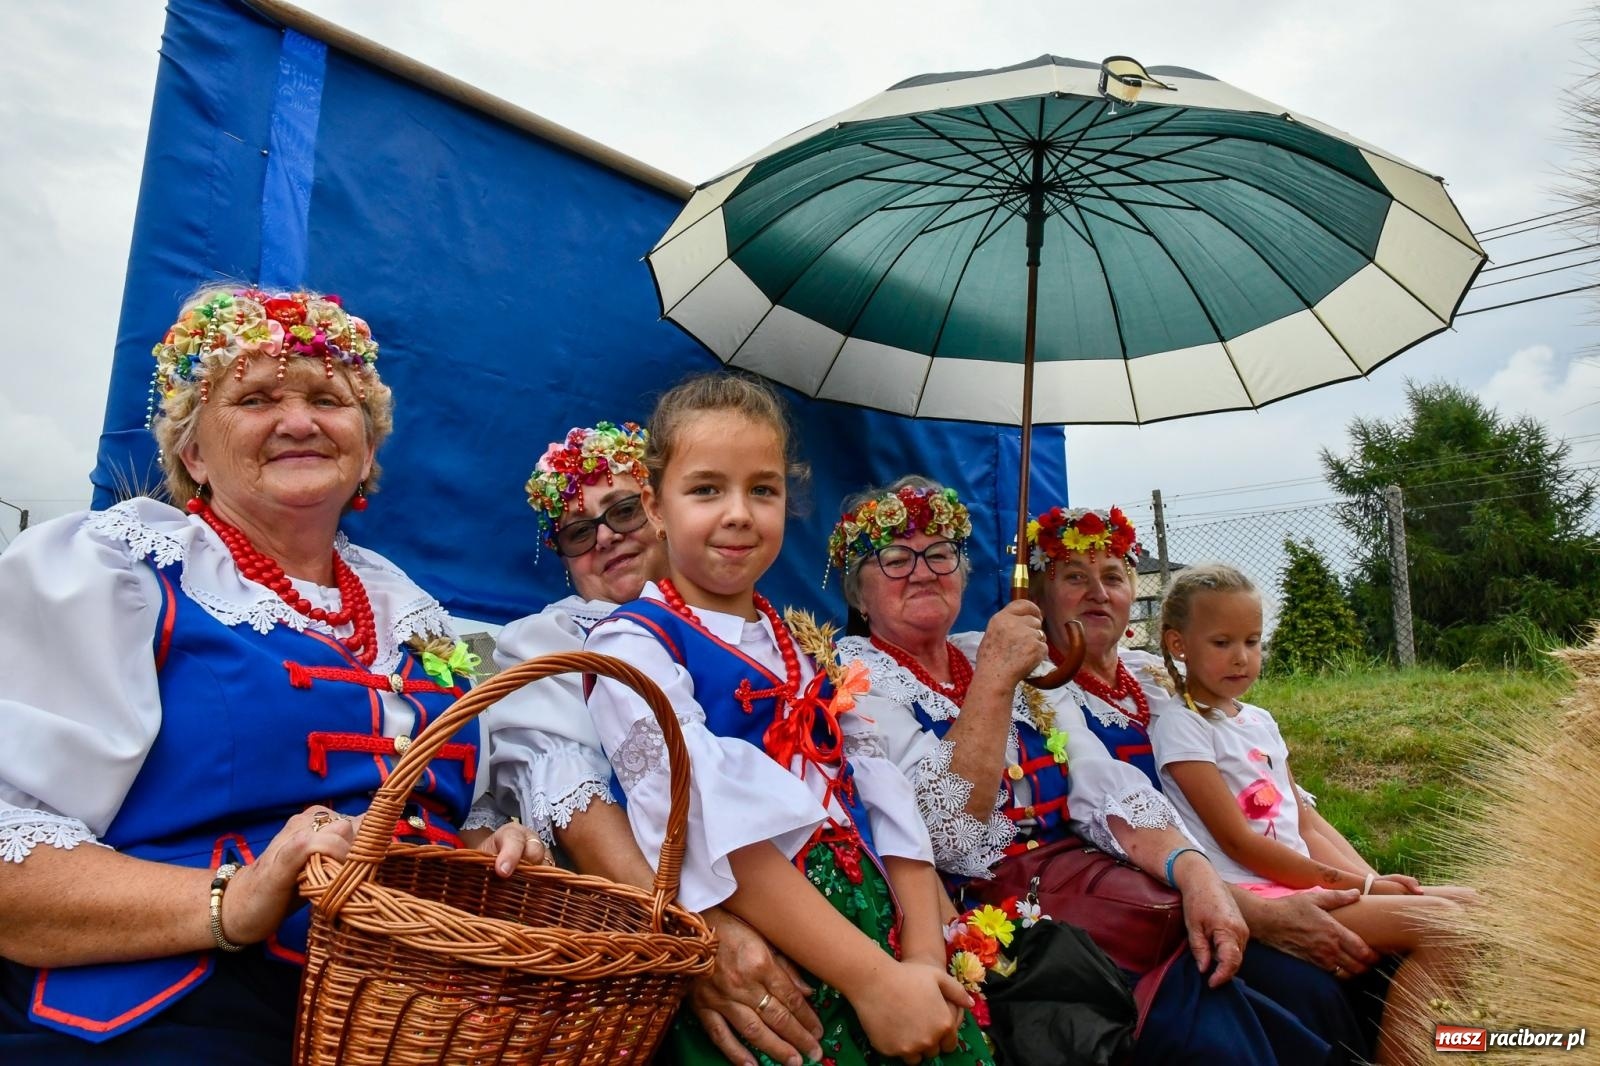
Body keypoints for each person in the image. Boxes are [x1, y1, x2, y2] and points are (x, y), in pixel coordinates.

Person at [0, 287, 544, 1063]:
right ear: (192, 453)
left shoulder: (414, 613)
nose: (299, 421)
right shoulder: (120, 571)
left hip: (411, 1028)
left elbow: (453, 804)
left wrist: (491, 843)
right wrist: (232, 899)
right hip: (177, 1024)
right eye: (255, 397)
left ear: (365, 445)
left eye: (329, 398)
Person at [835, 480, 1378, 1063]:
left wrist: (1196, 874)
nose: (922, 571)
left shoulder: (1001, 653)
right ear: (859, 592)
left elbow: (1103, 782)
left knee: (1310, 992)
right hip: (989, 920)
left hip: (1103, 889)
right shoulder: (854, 678)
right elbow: (942, 838)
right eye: (894, 558)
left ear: (962, 574)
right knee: (1212, 1019)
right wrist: (994, 679)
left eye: (940, 554)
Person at [585, 374, 989, 1065]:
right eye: (707, 489)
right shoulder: (633, 648)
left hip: (881, 928)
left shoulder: (809, 646)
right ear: (654, 505)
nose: (739, 513)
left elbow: (881, 792)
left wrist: (920, 959)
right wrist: (871, 980)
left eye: (763, 490)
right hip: (779, 953)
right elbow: (712, 827)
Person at [485, 420, 825, 1066]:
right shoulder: (548, 641)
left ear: (659, 510)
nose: (607, 536)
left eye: (621, 511)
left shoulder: (760, 628)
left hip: (808, 903)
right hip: (662, 940)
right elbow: (577, 802)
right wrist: (696, 941)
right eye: (580, 532)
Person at [1152, 562, 1470, 1066]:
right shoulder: (1182, 726)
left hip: (1303, 880)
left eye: (1253, 641)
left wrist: (1371, 878)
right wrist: (1362, 890)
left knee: (1480, 904)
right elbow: (1241, 843)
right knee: (1447, 927)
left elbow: (1305, 822)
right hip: (1261, 892)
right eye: (1222, 643)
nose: (1242, 657)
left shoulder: (1259, 719)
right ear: (1178, 644)